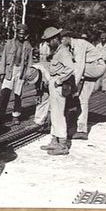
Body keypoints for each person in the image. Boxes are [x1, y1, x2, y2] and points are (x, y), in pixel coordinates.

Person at [60, 30, 106, 140]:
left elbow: (79, 67)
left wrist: (72, 86)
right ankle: (82, 130)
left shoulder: (79, 44)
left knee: (71, 69)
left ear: (68, 37)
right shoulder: (71, 47)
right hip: (91, 68)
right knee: (82, 99)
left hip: (96, 67)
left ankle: (79, 127)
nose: (60, 41)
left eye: (62, 39)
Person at [37, 27, 74, 156]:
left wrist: (59, 80)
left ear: (55, 39)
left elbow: (70, 68)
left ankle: (63, 145)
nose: (47, 43)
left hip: (59, 86)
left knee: (58, 115)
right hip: (54, 84)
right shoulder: (57, 51)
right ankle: (54, 140)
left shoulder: (63, 52)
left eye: (49, 41)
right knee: (54, 113)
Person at [0, 23, 33, 125]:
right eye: (20, 33)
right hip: (9, 71)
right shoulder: (9, 43)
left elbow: (30, 62)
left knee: (18, 95)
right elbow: (3, 58)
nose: (21, 35)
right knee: (4, 94)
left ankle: (16, 116)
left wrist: (27, 75)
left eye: (23, 34)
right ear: (17, 33)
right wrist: (2, 72)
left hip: (21, 72)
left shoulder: (28, 46)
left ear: (26, 34)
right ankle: (0, 115)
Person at [24, 63, 51, 132]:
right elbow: (37, 84)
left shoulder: (47, 75)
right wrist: (38, 94)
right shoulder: (32, 69)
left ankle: (51, 124)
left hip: (54, 83)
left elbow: (52, 89)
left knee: (53, 104)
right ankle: (39, 122)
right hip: (43, 83)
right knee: (41, 101)